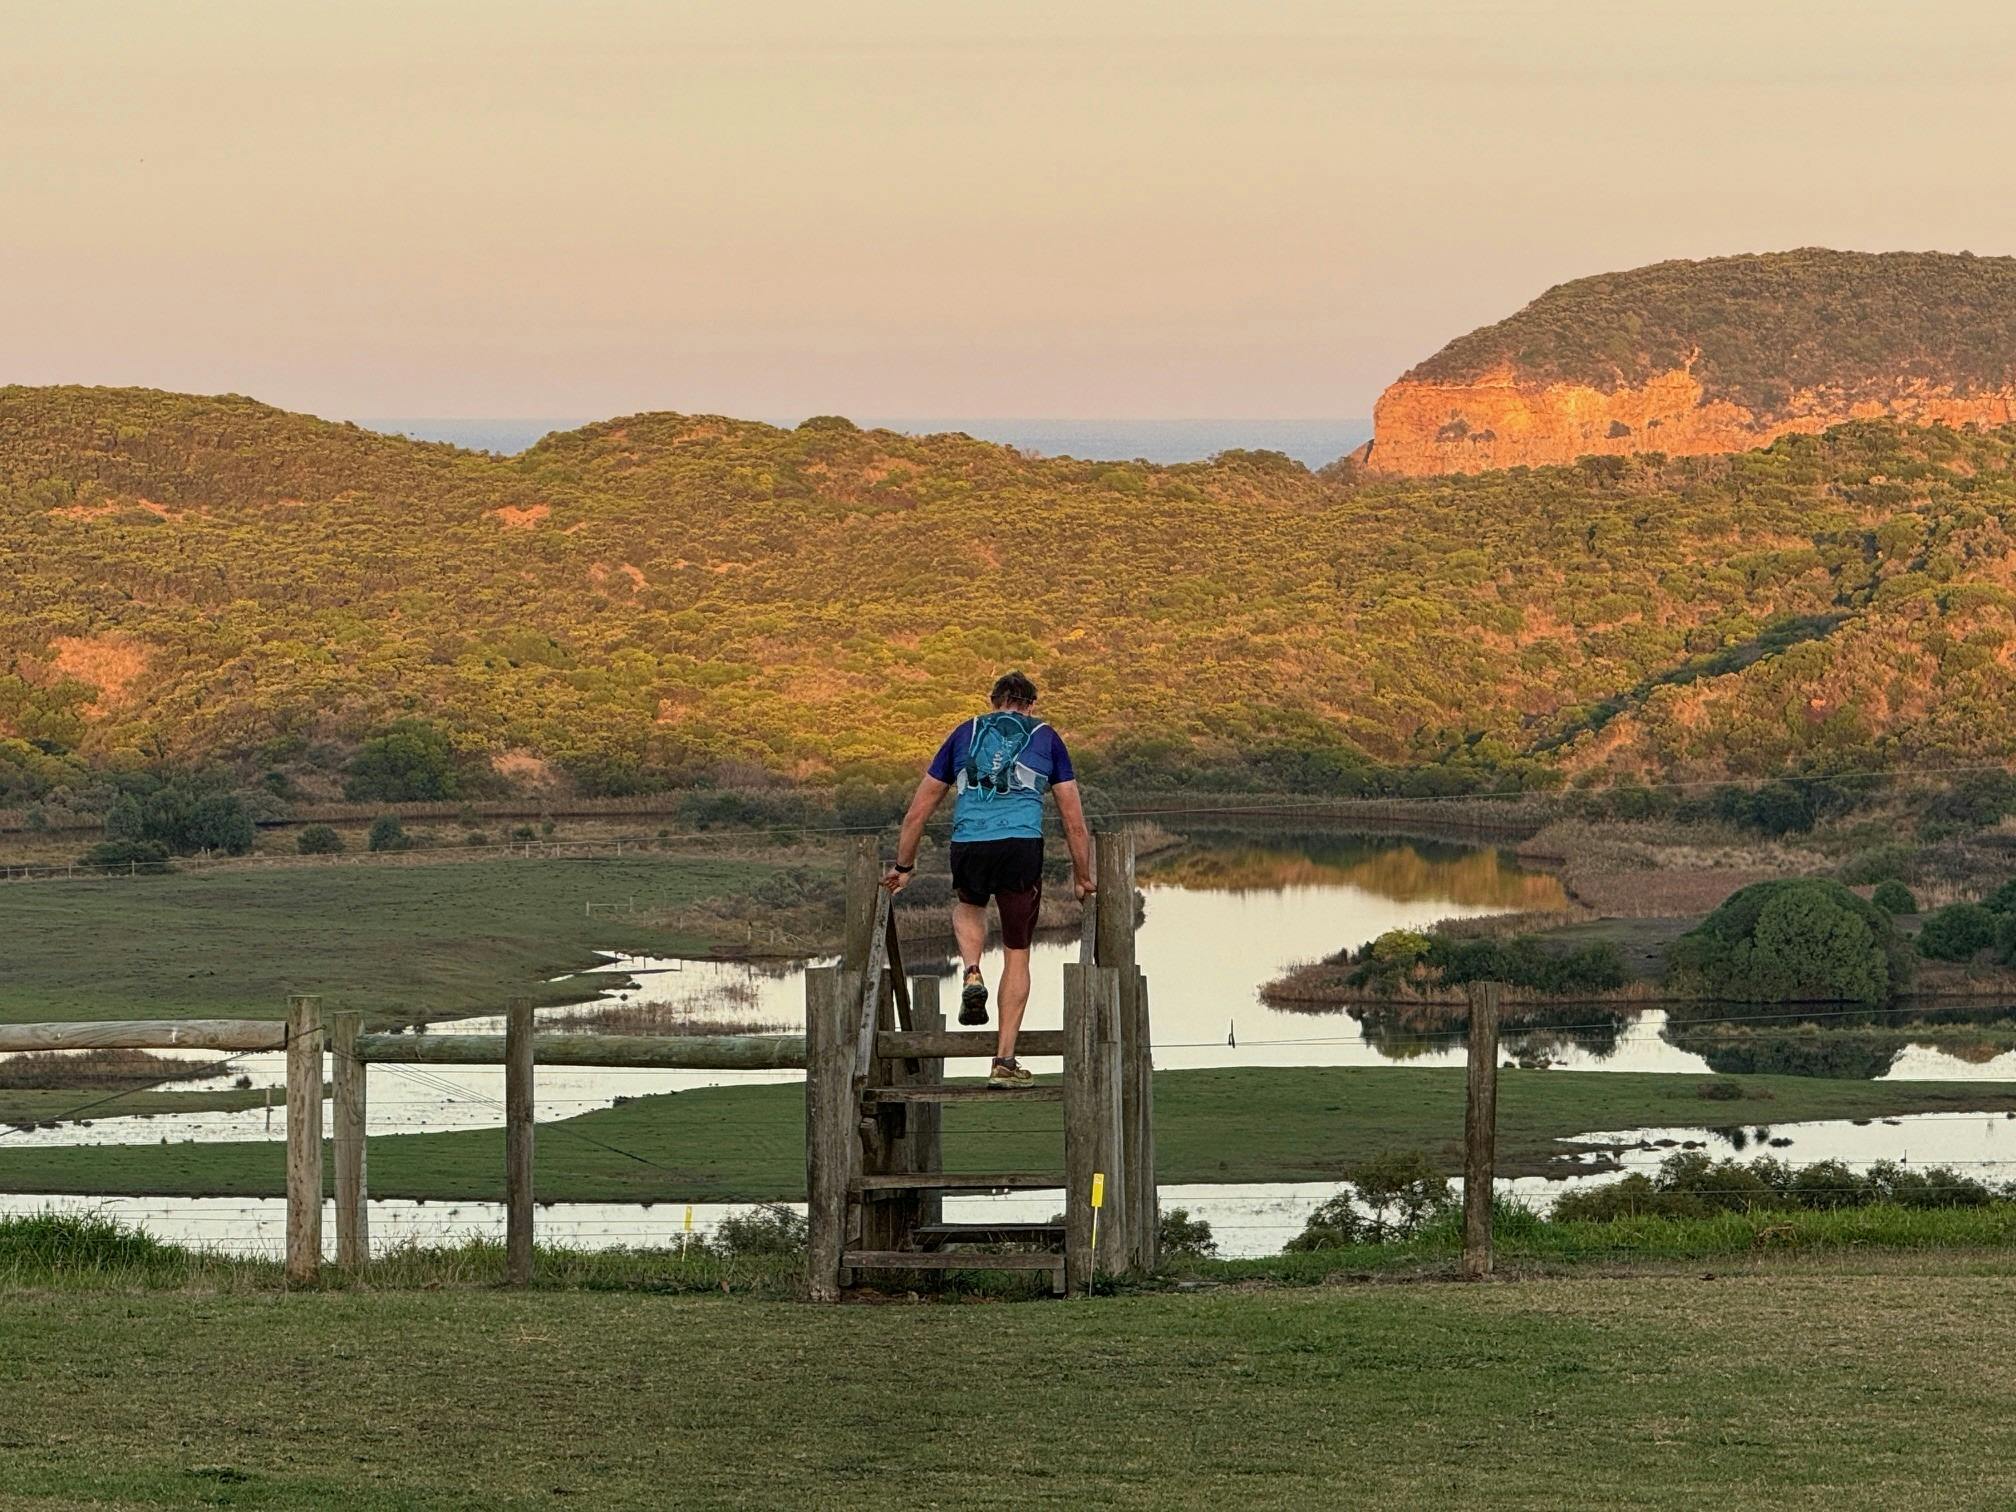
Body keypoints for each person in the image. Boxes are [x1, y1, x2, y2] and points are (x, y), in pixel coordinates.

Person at [882, 671, 1094, 1087]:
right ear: (1031, 704)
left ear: (994, 701)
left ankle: (973, 969)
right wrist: (1083, 877)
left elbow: (917, 812)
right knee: (1017, 953)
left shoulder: (965, 733)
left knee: (968, 904)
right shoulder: (1046, 737)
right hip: (1021, 845)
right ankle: (1004, 1061)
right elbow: (1073, 820)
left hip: (970, 843)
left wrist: (904, 867)